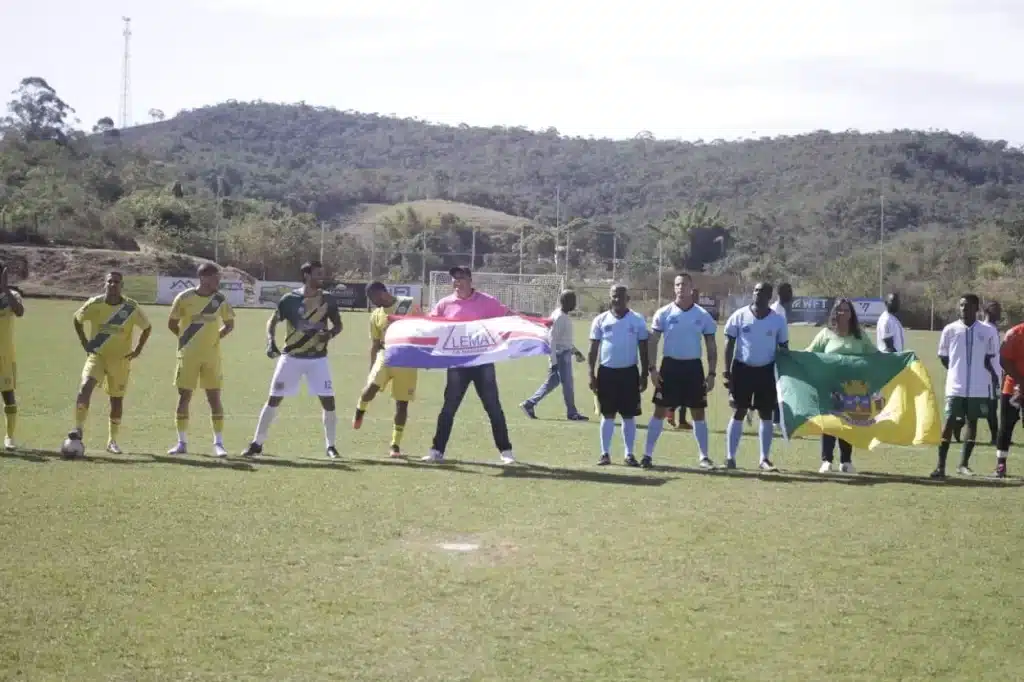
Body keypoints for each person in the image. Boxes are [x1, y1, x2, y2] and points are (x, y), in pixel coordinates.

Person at [241, 261, 342, 459]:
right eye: (318, 274)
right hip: (291, 358)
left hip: (318, 359)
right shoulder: (290, 299)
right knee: (273, 399)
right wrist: (271, 341)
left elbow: (338, 325)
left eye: (323, 273)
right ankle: (257, 443)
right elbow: (272, 320)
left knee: (328, 402)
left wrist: (329, 335)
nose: (322, 277)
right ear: (306, 275)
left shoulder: (328, 299)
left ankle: (331, 446)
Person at [422, 266, 516, 464]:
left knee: (493, 408)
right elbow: (429, 325)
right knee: (449, 408)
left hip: (483, 363)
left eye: (461, 278)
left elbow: (509, 316)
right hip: (457, 365)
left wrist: (535, 323)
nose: (457, 282)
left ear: (470, 280)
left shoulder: (487, 302)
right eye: (454, 279)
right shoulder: (445, 304)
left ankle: (506, 451)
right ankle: (437, 450)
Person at [66, 271, 152, 454]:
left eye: (117, 282)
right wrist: (84, 341)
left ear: (122, 286)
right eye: (109, 281)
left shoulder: (130, 307)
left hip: (120, 360)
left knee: (116, 401)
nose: (113, 285)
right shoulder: (95, 303)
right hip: (97, 355)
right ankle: (78, 429)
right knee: (84, 388)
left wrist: (138, 349)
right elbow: (77, 318)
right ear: (104, 284)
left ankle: (112, 441)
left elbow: (147, 327)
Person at [643, 274, 717, 468]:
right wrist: (652, 368)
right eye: (677, 284)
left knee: (698, 413)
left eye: (684, 284)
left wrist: (712, 373)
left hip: (693, 368)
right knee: (659, 411)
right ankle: (647, 455)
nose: (680, 287)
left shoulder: (702, 315)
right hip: (670, 367)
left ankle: (704, 456)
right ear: (673, 288)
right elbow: (653, 342)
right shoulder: (664, 313)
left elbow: (711, 345)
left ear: (691, 287)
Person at [166, 263, 235, 457]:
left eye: (218, 278)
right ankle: (181, 443)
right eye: (215, 278)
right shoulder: (185, 298)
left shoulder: (220, 300)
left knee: (214, 398)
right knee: (184, 397)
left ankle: (219, 443)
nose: (218, 281)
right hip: (188, 355)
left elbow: (230, 324)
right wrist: (185, 339)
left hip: (211, 357)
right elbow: (172, 323)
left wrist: (215, 339)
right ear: (203, 278)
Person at [805, 298, 878, 473]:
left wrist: (896, 358)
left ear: (851, 313)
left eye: (846, 310)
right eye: (839, 310)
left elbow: (875, 355)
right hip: (829, 386)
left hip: (853, 388)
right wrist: (790, 355)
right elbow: (810, 353)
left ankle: (846, 461)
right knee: (829, 422)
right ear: (834, 313)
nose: (842, 313)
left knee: (848, 422)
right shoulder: (826, 334)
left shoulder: (859, 335)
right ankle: (826, 460)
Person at [931, 294, 999, 478]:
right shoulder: (950, 330)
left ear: (976, 308)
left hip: (977, 386)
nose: (963, 309)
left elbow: (989, 358)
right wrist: (956, 371)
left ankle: (963, 464)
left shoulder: (987, 331)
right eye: (961, 305)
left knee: (972, 423)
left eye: (967, 306)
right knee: (949, 424)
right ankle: (940, 466)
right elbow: (944, 357)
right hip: (955, 386)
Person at [722, 282, 789, 471]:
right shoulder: (740, 315)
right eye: (755, 290)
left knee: (766, 414)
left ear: (769, 296)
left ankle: (764, 459)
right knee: (739, 411)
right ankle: (730, 458)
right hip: (742, 369)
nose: (757, 294)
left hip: (766, 371)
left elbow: (784, 347)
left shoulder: (777, 320)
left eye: (762, 292)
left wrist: (783, 375)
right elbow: (729, 342)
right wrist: (727, 372)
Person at [353, 281, 418, 457]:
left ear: (381, 293)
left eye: (372, 298)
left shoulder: (408, 304)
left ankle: (395, 445)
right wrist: (371, 367)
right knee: (369, 390)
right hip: (385, 354)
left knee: (401, 404)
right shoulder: (375, 315)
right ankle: (360, 409)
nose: (372, 302)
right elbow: (374, 344)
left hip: (407, 358)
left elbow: (424, 328)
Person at [588, 284, 649, 466]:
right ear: (610, 297)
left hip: (629, 373)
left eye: (621, 297)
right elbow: (593, 350)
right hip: (606, 372)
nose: (617, 300)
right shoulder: (600, 320)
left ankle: (629, 454)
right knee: (607, 415)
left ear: (627, 299)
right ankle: (604, 453)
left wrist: (644, 373)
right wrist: (591, 373)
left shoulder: (637, 320)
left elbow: (644, 349)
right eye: (614, 296)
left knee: (629, 415)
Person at [520, 289, 588, 422]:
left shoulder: (559, 314)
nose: (575, 304)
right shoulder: (561, 317)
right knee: (567, 384)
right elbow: (552, 340)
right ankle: (572, 413)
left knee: (552, 383)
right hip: (561, 356)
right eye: (573, 301)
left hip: (564, 353)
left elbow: (563, 340)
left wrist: (575, 351)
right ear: (566, 302)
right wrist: (554, 362)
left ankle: (529, 404)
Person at [994, 318, 1024, 478]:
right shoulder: (1014, 333)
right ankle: (1001, 464)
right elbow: (1004, 359)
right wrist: (1020, 380)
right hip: (1013, 387)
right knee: (1006, 426)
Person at [0, 263, 24, 449]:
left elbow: (19, 312)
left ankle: (9, 437)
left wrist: (5, 289)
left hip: (5, 355)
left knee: (8, 395)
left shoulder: (13, 296)